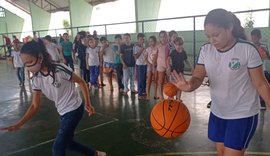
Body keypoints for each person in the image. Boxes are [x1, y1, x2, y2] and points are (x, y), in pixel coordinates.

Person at [172, 9, 270, 156]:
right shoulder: (206, 50)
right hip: (218, 112)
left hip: (242, 114)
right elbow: (198, 77)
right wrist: (189, 85)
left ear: (229, 28)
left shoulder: (247, 49)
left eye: (216, 35)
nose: (212, 40)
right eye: (208, 36)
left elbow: (261, 84)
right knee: (221, 152)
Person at [0, 40, 106, 156]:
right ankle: (94, 154)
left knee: (57, 148)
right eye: (25, 63)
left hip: (74, 109)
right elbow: (35, 105)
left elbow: (81, 82)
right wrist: (20, 123)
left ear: (40, 58)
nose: (28, 66)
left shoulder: (59, 69)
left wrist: (88, 103)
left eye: (29, 62)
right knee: (68, 143)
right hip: (62, 111)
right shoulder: (36, 79)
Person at [250, 29, 270, 110]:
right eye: (252, 38)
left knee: (264, 85)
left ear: (259, 37)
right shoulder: (250, 46)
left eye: (255, 38)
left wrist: (265, 51)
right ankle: (261, 103)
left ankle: (264, 101)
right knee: (255, 86)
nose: (254, 40)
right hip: (253, 71)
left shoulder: (263, 46)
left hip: (262, 69)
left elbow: (268, 57)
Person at [134, 33, 147, 99]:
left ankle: (143, 91)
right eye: (141, 39)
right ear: (138, 40)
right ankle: (140, 94)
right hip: (139, 65)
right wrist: (142, 49)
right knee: (140, 79)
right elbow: (136, 56)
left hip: (145, 64)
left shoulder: (144, 45)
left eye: (143, 39)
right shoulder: (135, 47)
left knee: (144, 79)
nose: (142, 41)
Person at [157, 30, 170, 100]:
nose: (163, 38)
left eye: (164, 36)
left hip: (168, 65)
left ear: (167, 37)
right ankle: (161, 96)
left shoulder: (170, 45)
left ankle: (169, 95)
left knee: (169, 81)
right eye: (161, 37)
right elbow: (154, 56)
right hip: (160, 65)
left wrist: (169, 66)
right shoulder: (158, 46)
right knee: (161, 81)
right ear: (159, 38)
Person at [145, 36, 158, 100]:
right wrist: (149, 64)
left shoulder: (157, 48)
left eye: (152, 41)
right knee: (149, 80)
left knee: (156, 81)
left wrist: (154, 65)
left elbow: (157, 58)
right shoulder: (147, 49)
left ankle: (155, 94)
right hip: (150, 66)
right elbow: (145, 59)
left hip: (156, 66)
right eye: (150, 41)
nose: (151, 42)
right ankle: (148, 95)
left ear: (155, 41)